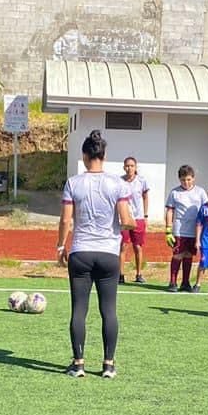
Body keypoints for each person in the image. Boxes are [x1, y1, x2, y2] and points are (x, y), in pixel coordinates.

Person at [58, 130, 135, 378]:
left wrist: (61, 246)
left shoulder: (74, 182)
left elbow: (65, 220)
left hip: (81, 251)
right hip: (108, 253)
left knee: (79, 309)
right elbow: (126, 220)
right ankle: (108, 365)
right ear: (104, 155)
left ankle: (78, 363)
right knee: (109, 310)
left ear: (84, 156)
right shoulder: (118, 183)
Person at [164, 165, 206, 292]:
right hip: (179, 229)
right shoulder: (175, 193)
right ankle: (172, 282)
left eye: (188, 179)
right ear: (179, 179)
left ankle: (185, 282)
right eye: (183, 180)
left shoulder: (200, 192)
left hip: (194, 230)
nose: (186, 182)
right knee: (178, 254)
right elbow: (170, 210)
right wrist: (168, 229)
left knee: (188, 255)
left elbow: (206, 210)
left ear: (193, 178)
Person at [119, 156, 153, 284]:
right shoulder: (119, 181)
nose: (129, 168)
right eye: (127, 166)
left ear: (136, 167)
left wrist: (145, 216)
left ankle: (139, 274)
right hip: (124, 218)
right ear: (124, 167)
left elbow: (145, 197)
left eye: (132, 166)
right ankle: (120, 274)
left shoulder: (141, 181)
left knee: (137, 246)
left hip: (138, 218)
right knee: (122, 246)